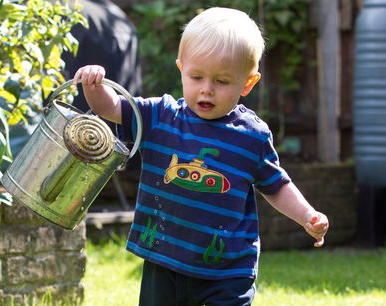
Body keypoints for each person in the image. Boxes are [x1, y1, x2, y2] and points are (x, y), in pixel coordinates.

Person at [73, 7, 329, 305]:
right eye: (196, 77)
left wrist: (307, 215)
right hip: (164, 260)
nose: (206, 90)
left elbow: (276, 185)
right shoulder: (159, 116)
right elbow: (110, 109)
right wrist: (94, 87)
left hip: (228, 271)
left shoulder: (252, 136)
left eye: (221, 82)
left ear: (247, 83)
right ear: (182, 69)